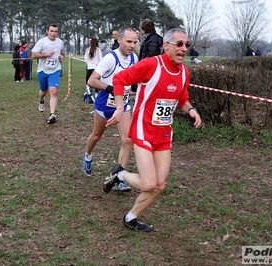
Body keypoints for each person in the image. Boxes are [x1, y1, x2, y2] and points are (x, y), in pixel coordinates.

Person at [102, 28, 202, 232]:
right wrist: (120, 107)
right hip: (142, 129)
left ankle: (130, 218)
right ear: (166, 46)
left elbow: (182, 99)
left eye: (187, 45)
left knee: (160, 185)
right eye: (179, 44)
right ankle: (119, 175)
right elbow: (120, 80)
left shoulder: (184, 72)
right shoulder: (151, 64)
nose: (184, 49)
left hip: (163, 133)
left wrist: (191, 110)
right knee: (148, 184)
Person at [82, 27, 139, 192]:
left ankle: (118, 177)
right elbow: (92, 81)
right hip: (104, 104)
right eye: (129, 41)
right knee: (97, 136)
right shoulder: (110, 58)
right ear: (119, 40)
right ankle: (87, 156)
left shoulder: (134, 58)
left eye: (134, 42)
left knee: (127, 140)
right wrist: (112, 89)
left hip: (124, 105)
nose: (132, 45)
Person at [32, 24, 65, 124]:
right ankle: (41, 100)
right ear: (47, 31)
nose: (54, 33)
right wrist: (46, 54)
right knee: (44, 91)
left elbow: (62, 52)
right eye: (52, 31)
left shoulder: (60, 42)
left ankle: (52, 115)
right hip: (43, 70)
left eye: (55, 31)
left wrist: (62, 57)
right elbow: (33, 55)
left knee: (53, 91)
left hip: (55, 70)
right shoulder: (42, 42)